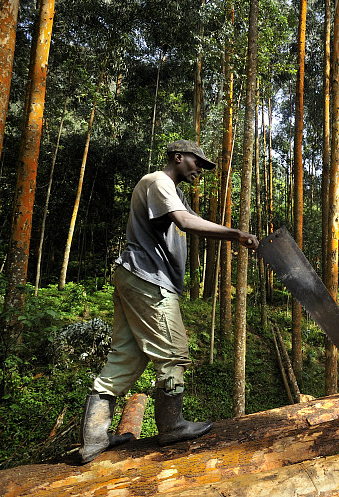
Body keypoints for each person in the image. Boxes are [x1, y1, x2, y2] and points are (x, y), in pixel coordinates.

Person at [78, 140, 259, 464]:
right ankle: (172, 426)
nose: (198, 170)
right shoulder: (159, 182)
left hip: (136, 276)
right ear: (178, 157)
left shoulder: (172, 191)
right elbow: (187, 223)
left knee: (126, 358)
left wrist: (232, 235)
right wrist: (236, 234)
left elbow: (194, 224)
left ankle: (93, 439)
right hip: (148, 278)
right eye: (196, 163)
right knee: (173, 354)